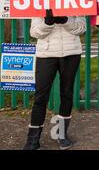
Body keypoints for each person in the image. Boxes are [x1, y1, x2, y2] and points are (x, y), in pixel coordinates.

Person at [23, 9, 86, 150]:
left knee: (67, 94)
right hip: (46, 54)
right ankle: (33, 140)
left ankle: (61, 134)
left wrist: (65, 20)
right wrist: (48, 22)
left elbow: (81, 28)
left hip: (71, 54)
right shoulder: (41, 1)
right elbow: (34, 33)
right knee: (40, 97)